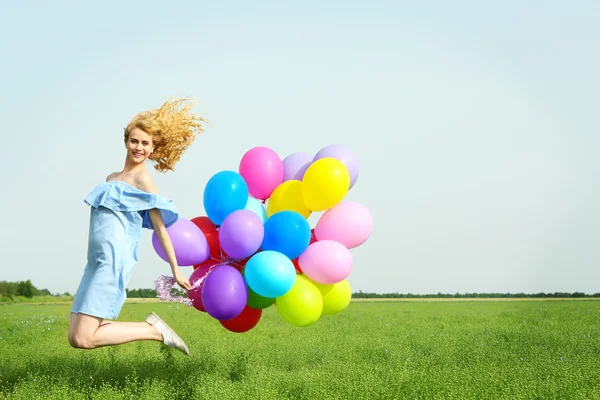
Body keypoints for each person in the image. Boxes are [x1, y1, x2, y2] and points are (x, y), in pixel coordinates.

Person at [68, 97, 207, 356]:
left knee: (87, 337)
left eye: (145, 143)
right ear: (126, 142)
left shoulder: (143, 180)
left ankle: (154, 330)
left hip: (112, 263)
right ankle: (153, 328)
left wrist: (176, 269)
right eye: (134, 141)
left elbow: (160, 227)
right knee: (75, 337)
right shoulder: (111, 178)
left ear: (152, 149)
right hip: (94, 262)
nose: (139, 147)